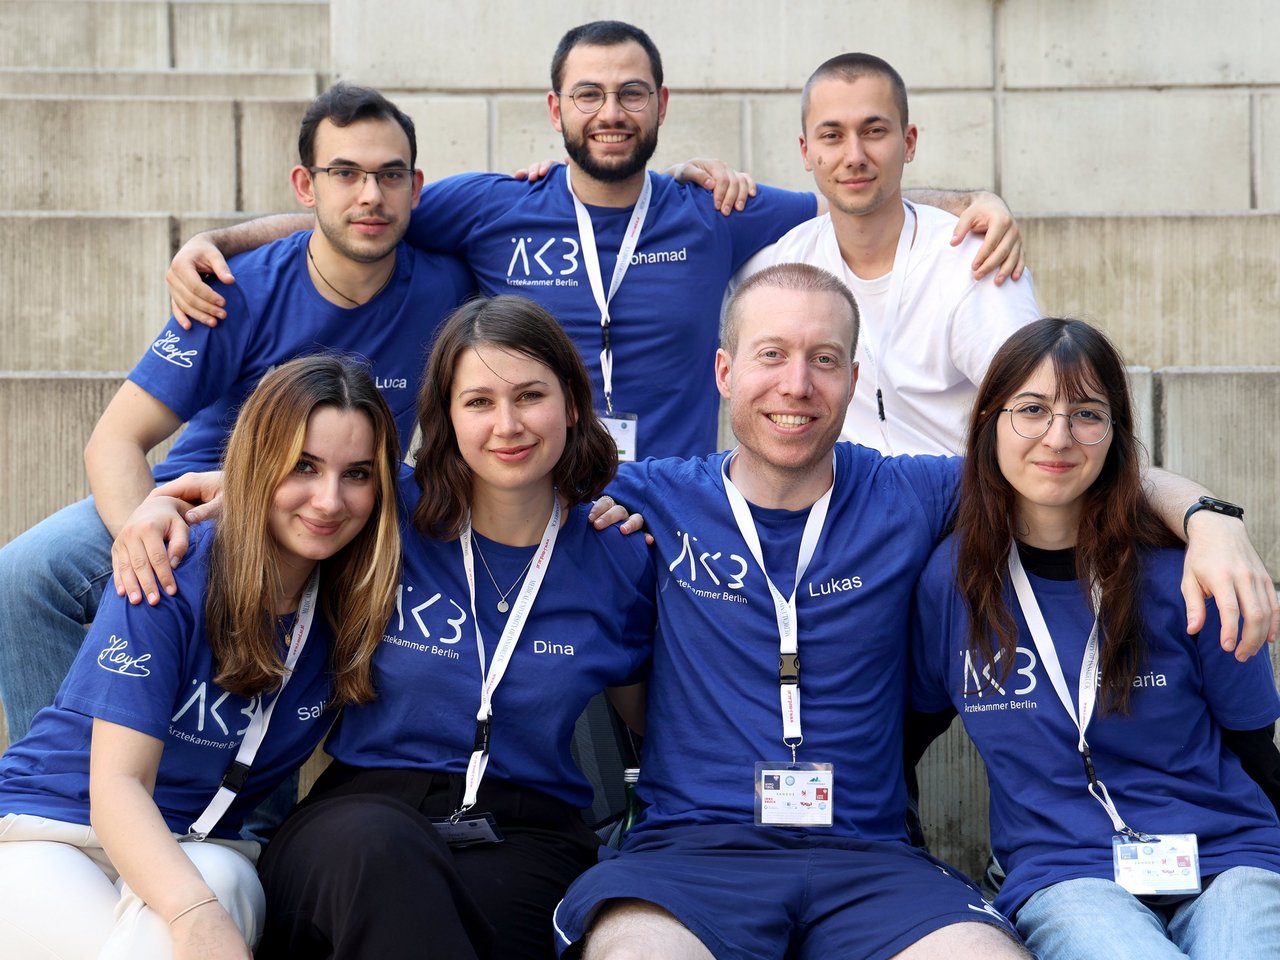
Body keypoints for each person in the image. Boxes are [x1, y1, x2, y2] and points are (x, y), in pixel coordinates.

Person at [551, 263, 1277, 960]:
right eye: (771, 354)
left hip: (867, 857)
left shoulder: (909, 492)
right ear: (724, 372)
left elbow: (1066, 460)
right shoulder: (650, 496)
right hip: (693, 853)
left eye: (825, 359)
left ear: (855, 380)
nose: (796, 384)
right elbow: (506, 475)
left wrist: (1212, 520)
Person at [162, 21, 1023, 464]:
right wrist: (218, 239)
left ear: (661, 105)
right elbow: (355, 215)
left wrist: (977, 204)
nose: (610, 112)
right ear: (556, 110)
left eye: (630, 93)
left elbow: (854, 192)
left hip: (671, 489)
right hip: (532, 476)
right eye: (588, 95)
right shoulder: (493, 205)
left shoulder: (714, 210)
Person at [0, 82, 472, 742]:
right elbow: (115, 440)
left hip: (335, 508)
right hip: (201, 504)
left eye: (389, 175)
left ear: (415, 188)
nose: (370, 194)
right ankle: (60, 779)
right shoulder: (237, 289)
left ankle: (248, 821)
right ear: (307, 186)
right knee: (24, 576)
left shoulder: (449, 284)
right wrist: (142, 529)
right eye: (346, 173)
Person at [248, 296, 656, 960]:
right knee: (385, 857)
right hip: (360, 813)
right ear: (445, 415)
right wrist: (164, 510)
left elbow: (656, 728)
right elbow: (275, 501)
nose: (508, 425)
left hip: (527, 831)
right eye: (479, 402)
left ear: (573, 404)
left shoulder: (619, 555)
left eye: (530, 396)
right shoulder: (385, 514)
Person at [0, 355, 403, 959]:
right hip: (54, 829)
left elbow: (484, 483)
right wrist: (194, 918)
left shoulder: (359, 593)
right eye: (303, 466)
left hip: (205, 843)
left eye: (357, 474)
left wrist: (598, 511)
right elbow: (118, 785)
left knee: (226, 884)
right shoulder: (171, 563)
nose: (328, 500)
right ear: (257, 462)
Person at [909, 318, 1280, 959]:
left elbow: (1255, 747)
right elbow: (905, 735)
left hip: (1229, 856)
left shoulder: (1182, 570)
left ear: (1114, 434)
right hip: (1064, 872)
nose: (1059, 436)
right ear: (990, 421)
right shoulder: (953, 580)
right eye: (1032, 410)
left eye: (1086, 413)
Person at [736, 53, 1040, 457]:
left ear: (908, 141)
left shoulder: (972, 258)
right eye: (832, 136)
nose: (855, 155)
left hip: (960, 502)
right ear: (806, 152)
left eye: (874, 131)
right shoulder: (786, 262)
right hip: (840, 508)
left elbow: (1035, 403)